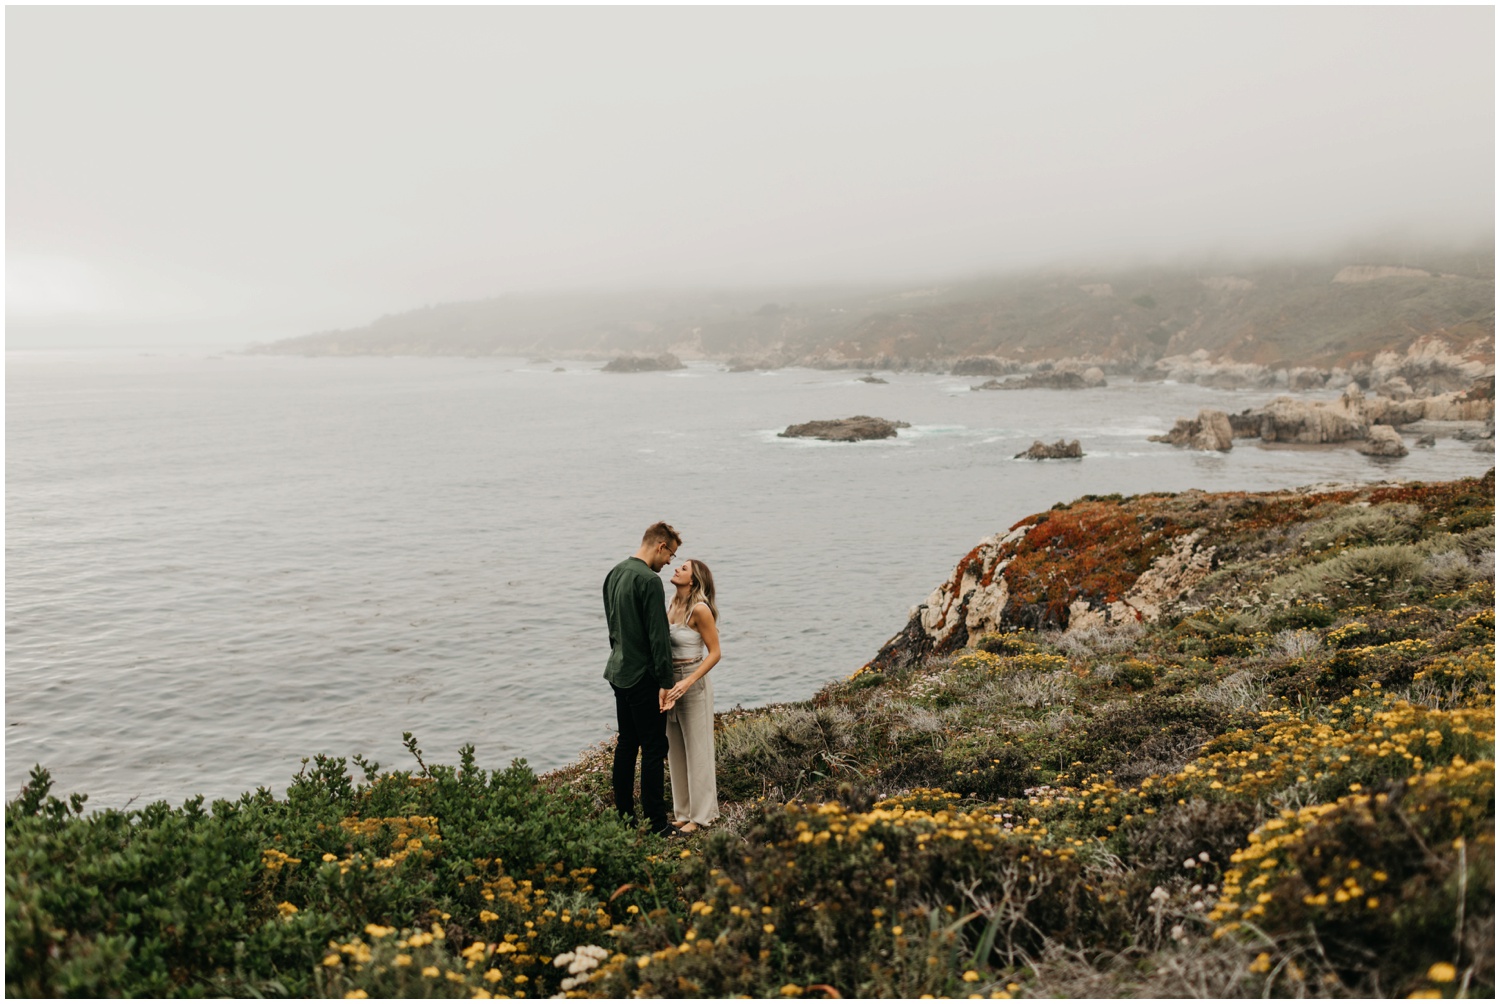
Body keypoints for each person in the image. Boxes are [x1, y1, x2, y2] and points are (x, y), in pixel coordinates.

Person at [602, 521, 680, 837]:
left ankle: (625, 819)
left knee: (626, 745)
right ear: (660, 545)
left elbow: (613, 628)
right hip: (643, 676)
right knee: (652, 747)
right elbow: (658, 637)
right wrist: (666, 681)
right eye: (671, 555)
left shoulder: (615, 573)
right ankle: (657, 823)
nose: (669, 562)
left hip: (619, 671)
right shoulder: (649, 581)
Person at [663, 558, 721, 832]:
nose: (676, 569)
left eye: (683, 568)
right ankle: (683, 812)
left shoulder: (701, 610)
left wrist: (688, 682)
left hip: (693, 683)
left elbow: (715, 653)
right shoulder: (672, 604)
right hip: (670, 684)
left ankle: (702, 816)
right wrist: (664, 686)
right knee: (674, 748)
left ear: (694, 580)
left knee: (698, 749)